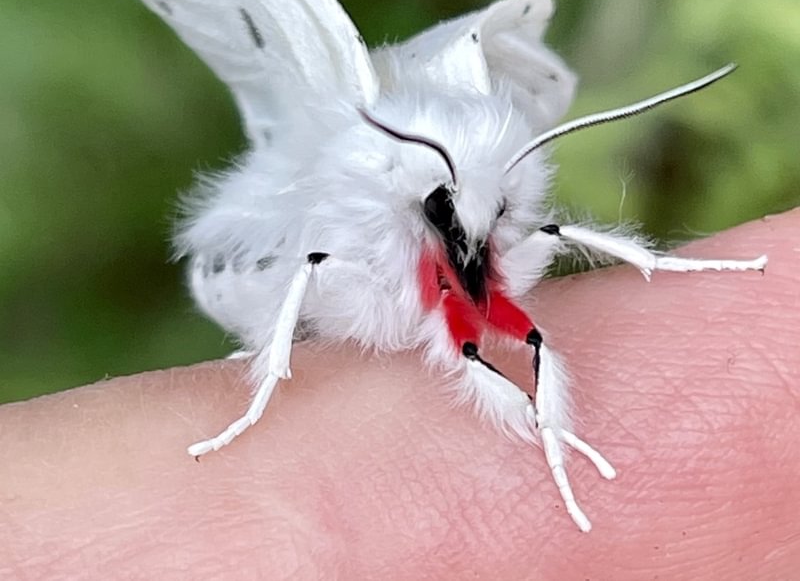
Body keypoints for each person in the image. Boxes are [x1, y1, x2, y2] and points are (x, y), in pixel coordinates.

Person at [1, 210, 796, 580]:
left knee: (535, 303)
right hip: (327, 294)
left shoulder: (481, 244)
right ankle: (262, 393)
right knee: (344, 281)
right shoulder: (386, 258)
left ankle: (560, 445)